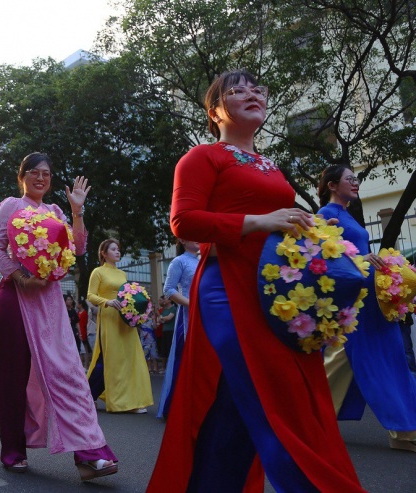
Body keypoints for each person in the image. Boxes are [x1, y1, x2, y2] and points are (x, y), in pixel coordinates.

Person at [147, 70, 364, 492]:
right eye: (236, 90)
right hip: (226, 288)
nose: (252, 93)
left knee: (233, 410)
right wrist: (260, 221)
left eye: (257, 89)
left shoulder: (270, 166)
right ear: (215, 111)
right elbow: (183, 221)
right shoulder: (203, 157)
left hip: (276, 293)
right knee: (274, 401)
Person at [0, 152, 118, 480]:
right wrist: (21, 276)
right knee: (14, 377)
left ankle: (90, 454)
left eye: (46, 173)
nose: (40, 178)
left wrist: (77, 211)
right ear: (22, 176)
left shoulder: (56, 211)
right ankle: (13, 450)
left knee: (68, 373)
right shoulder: (10, 205)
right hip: (16, 298)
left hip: (48, 300)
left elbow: (76, 248)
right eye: (33, 172)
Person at [318, 165, 416, 453]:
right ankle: (302, 413)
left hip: (371, 296)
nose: (356, 183)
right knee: (356, 358)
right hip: (354, 298)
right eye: (350, 179)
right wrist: (358, 258)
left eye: (356, 179)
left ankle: (405, 430)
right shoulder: (326, 215)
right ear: (333, 185)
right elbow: (323, 254)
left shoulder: (348, 215)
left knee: (389, 357)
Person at [86, 238, 153, 413]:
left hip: (125, 320)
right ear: (104, 253)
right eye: (114, 249)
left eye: (118, 249)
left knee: (128, 359)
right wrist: (106, 301)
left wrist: (138, 310)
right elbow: (90, 295)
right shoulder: (98, 272)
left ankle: (130, 401)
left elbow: (127, 295)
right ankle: (88, 396)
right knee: (110, 359)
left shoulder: (122, 274)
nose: (118, 252)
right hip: (108, 319)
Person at [156, 238, 199, 418]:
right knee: (184, 358)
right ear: (182, 239)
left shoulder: (203, 260)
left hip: (207, 314)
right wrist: (193, 304)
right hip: (188, 316)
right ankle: (177, 407)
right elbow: (169, 290)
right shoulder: (179, 261)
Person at [77, 299, 92, 370]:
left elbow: (84, 325)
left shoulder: (84, 313)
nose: (77, 305)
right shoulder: (78, 313)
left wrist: (82, 334)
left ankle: (86, 366)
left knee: (86, 350)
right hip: (79, 333)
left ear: (81, 305)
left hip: (83, 333)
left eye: (78, 303)